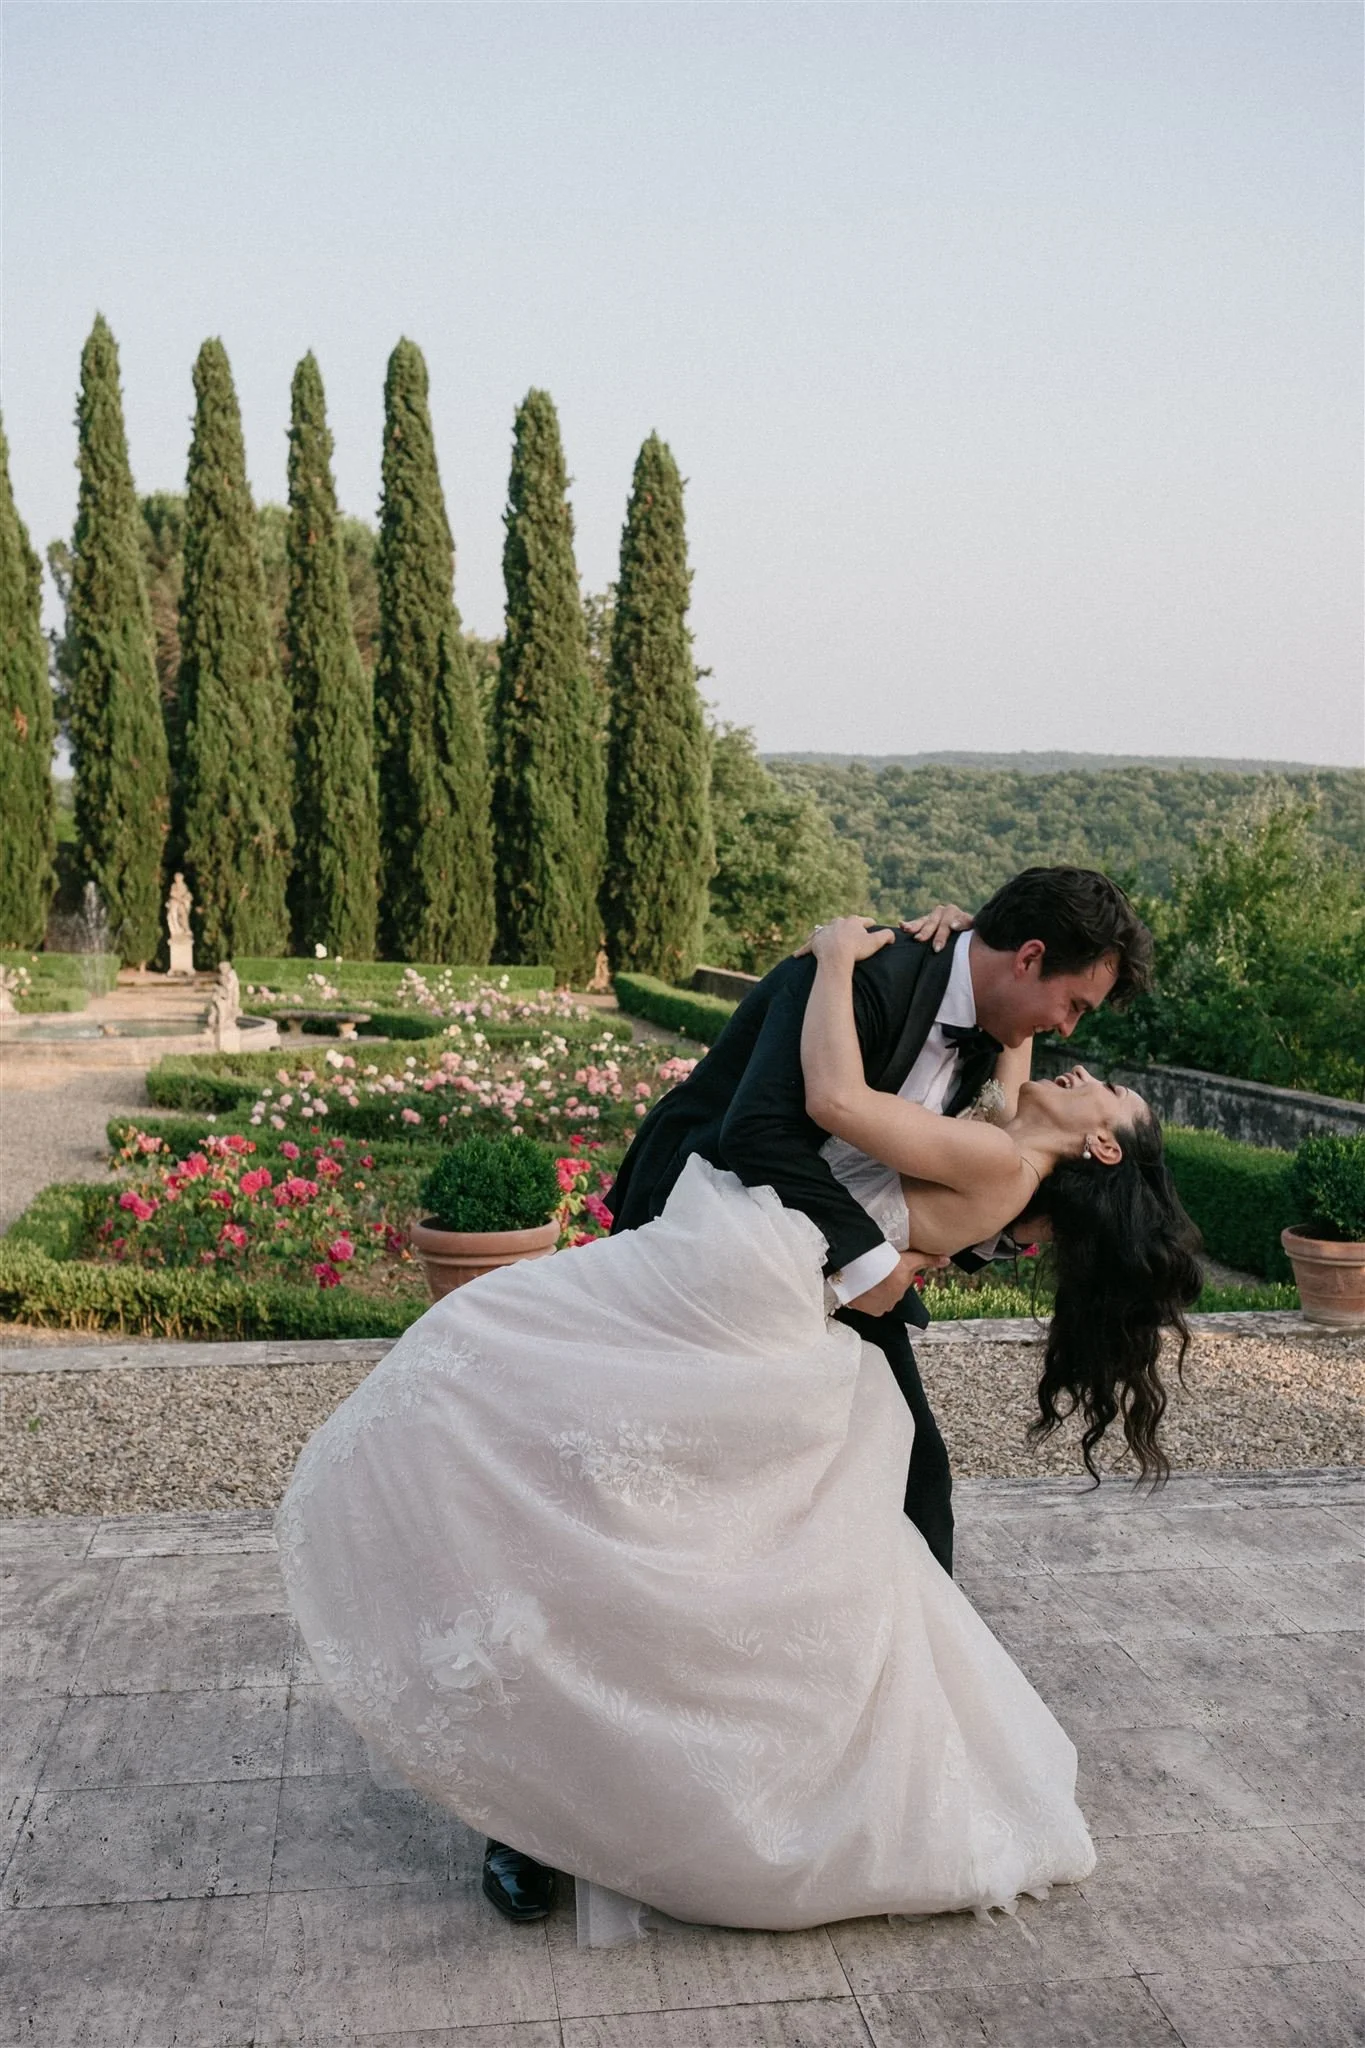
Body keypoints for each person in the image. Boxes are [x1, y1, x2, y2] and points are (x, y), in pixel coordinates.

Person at [277, 897, 1202, 1940]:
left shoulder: (999, 1056)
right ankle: (538, 1808)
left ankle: (861, 1760)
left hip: (791, 1279)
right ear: (1025, 957)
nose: (1073, 1040)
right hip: (727, 1250)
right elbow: (768, 1129)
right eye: (1072, 1003)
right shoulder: (882, 978)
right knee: (604, 1500)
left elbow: (899, 1121)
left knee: (887, 1501)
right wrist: (887, 1242)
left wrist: (902, 1253)